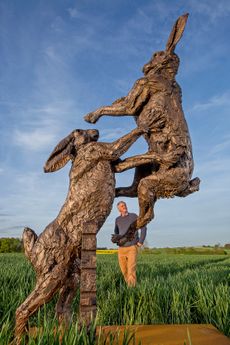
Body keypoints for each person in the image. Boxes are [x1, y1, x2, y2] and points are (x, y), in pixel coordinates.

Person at [114, 201, 147, 287]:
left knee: (131, 269)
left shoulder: (133, 216)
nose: (124, 206)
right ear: (119, 209)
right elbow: (116, 232)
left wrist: (141, 241)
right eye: (122, 206)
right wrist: (117, 240)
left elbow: (143, 227)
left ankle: (131, 290)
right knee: (124, 269)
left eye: (124, 205)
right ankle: (128, 285)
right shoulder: (117, 219)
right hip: (121, 248)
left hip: (132, 247)